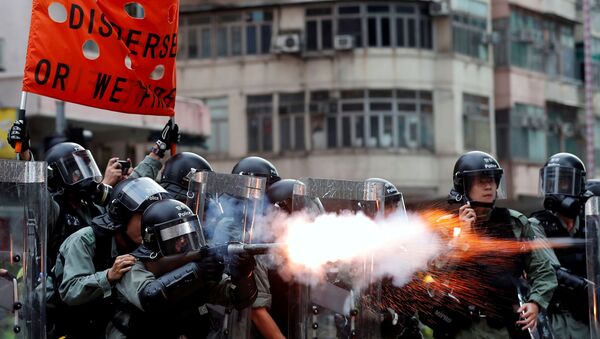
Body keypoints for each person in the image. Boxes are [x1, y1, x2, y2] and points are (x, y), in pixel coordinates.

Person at [440, 151, 557, 338]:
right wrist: (462, 239)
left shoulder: (516, 223)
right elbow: (433, 276)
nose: (489, 186)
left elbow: (544, 271)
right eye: (481, 181)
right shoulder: (445, 227)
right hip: (462, 329)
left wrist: (535, 303)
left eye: (492, 180)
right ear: (464, 185)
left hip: (505, 329)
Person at [107, 199, 257, 339]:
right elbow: (151, 297)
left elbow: (239, 299)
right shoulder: (131, 265)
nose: (184, 239)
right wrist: (199, 271)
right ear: (154, 238)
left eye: (187, 231)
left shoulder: (195, 260)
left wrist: (243, 274)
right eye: (174, 233)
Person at [48, 177, 169, 339]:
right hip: (66, 325)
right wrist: (109, 276)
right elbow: (70, 291)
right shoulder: (84, 240)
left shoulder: (145, 242)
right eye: (144, 217)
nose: (150, 224)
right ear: (123, 216)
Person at [529, 153, 591, 338]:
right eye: (550, 183)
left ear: (578, 186)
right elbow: (551, 271)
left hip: (588, 318)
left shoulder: (592, 224)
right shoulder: (536, 225)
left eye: (563, 182)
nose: (555, 190)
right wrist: (588, 289)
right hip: (554, 319)